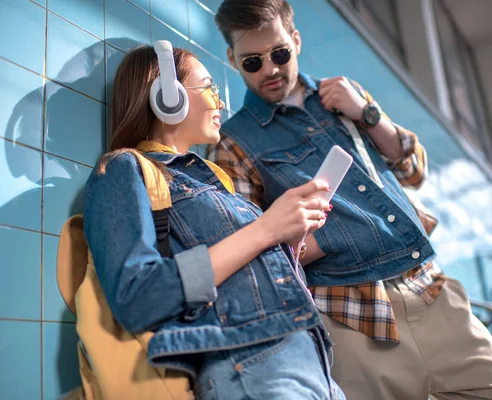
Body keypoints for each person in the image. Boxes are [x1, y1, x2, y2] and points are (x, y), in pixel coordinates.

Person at [208, 1, 492, 399]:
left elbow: (412, 170)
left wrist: (367, 113)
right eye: (252, 62)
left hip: (430, 291)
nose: (271, 70)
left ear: (295, 40)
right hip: (351, 319)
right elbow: (251, 254)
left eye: (279, 54)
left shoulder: (346, 95)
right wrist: (321, 238)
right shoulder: (234, 144)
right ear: (232, 58)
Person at [83, 43, 345, 400]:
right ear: (167, 97)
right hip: (254, 369)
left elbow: (244, 283)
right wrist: (266, 229)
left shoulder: (216, 182)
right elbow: (138, 296)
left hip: (317, 370)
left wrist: (291, 237)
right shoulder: (121, 169)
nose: (220, 103)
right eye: (209, 88)